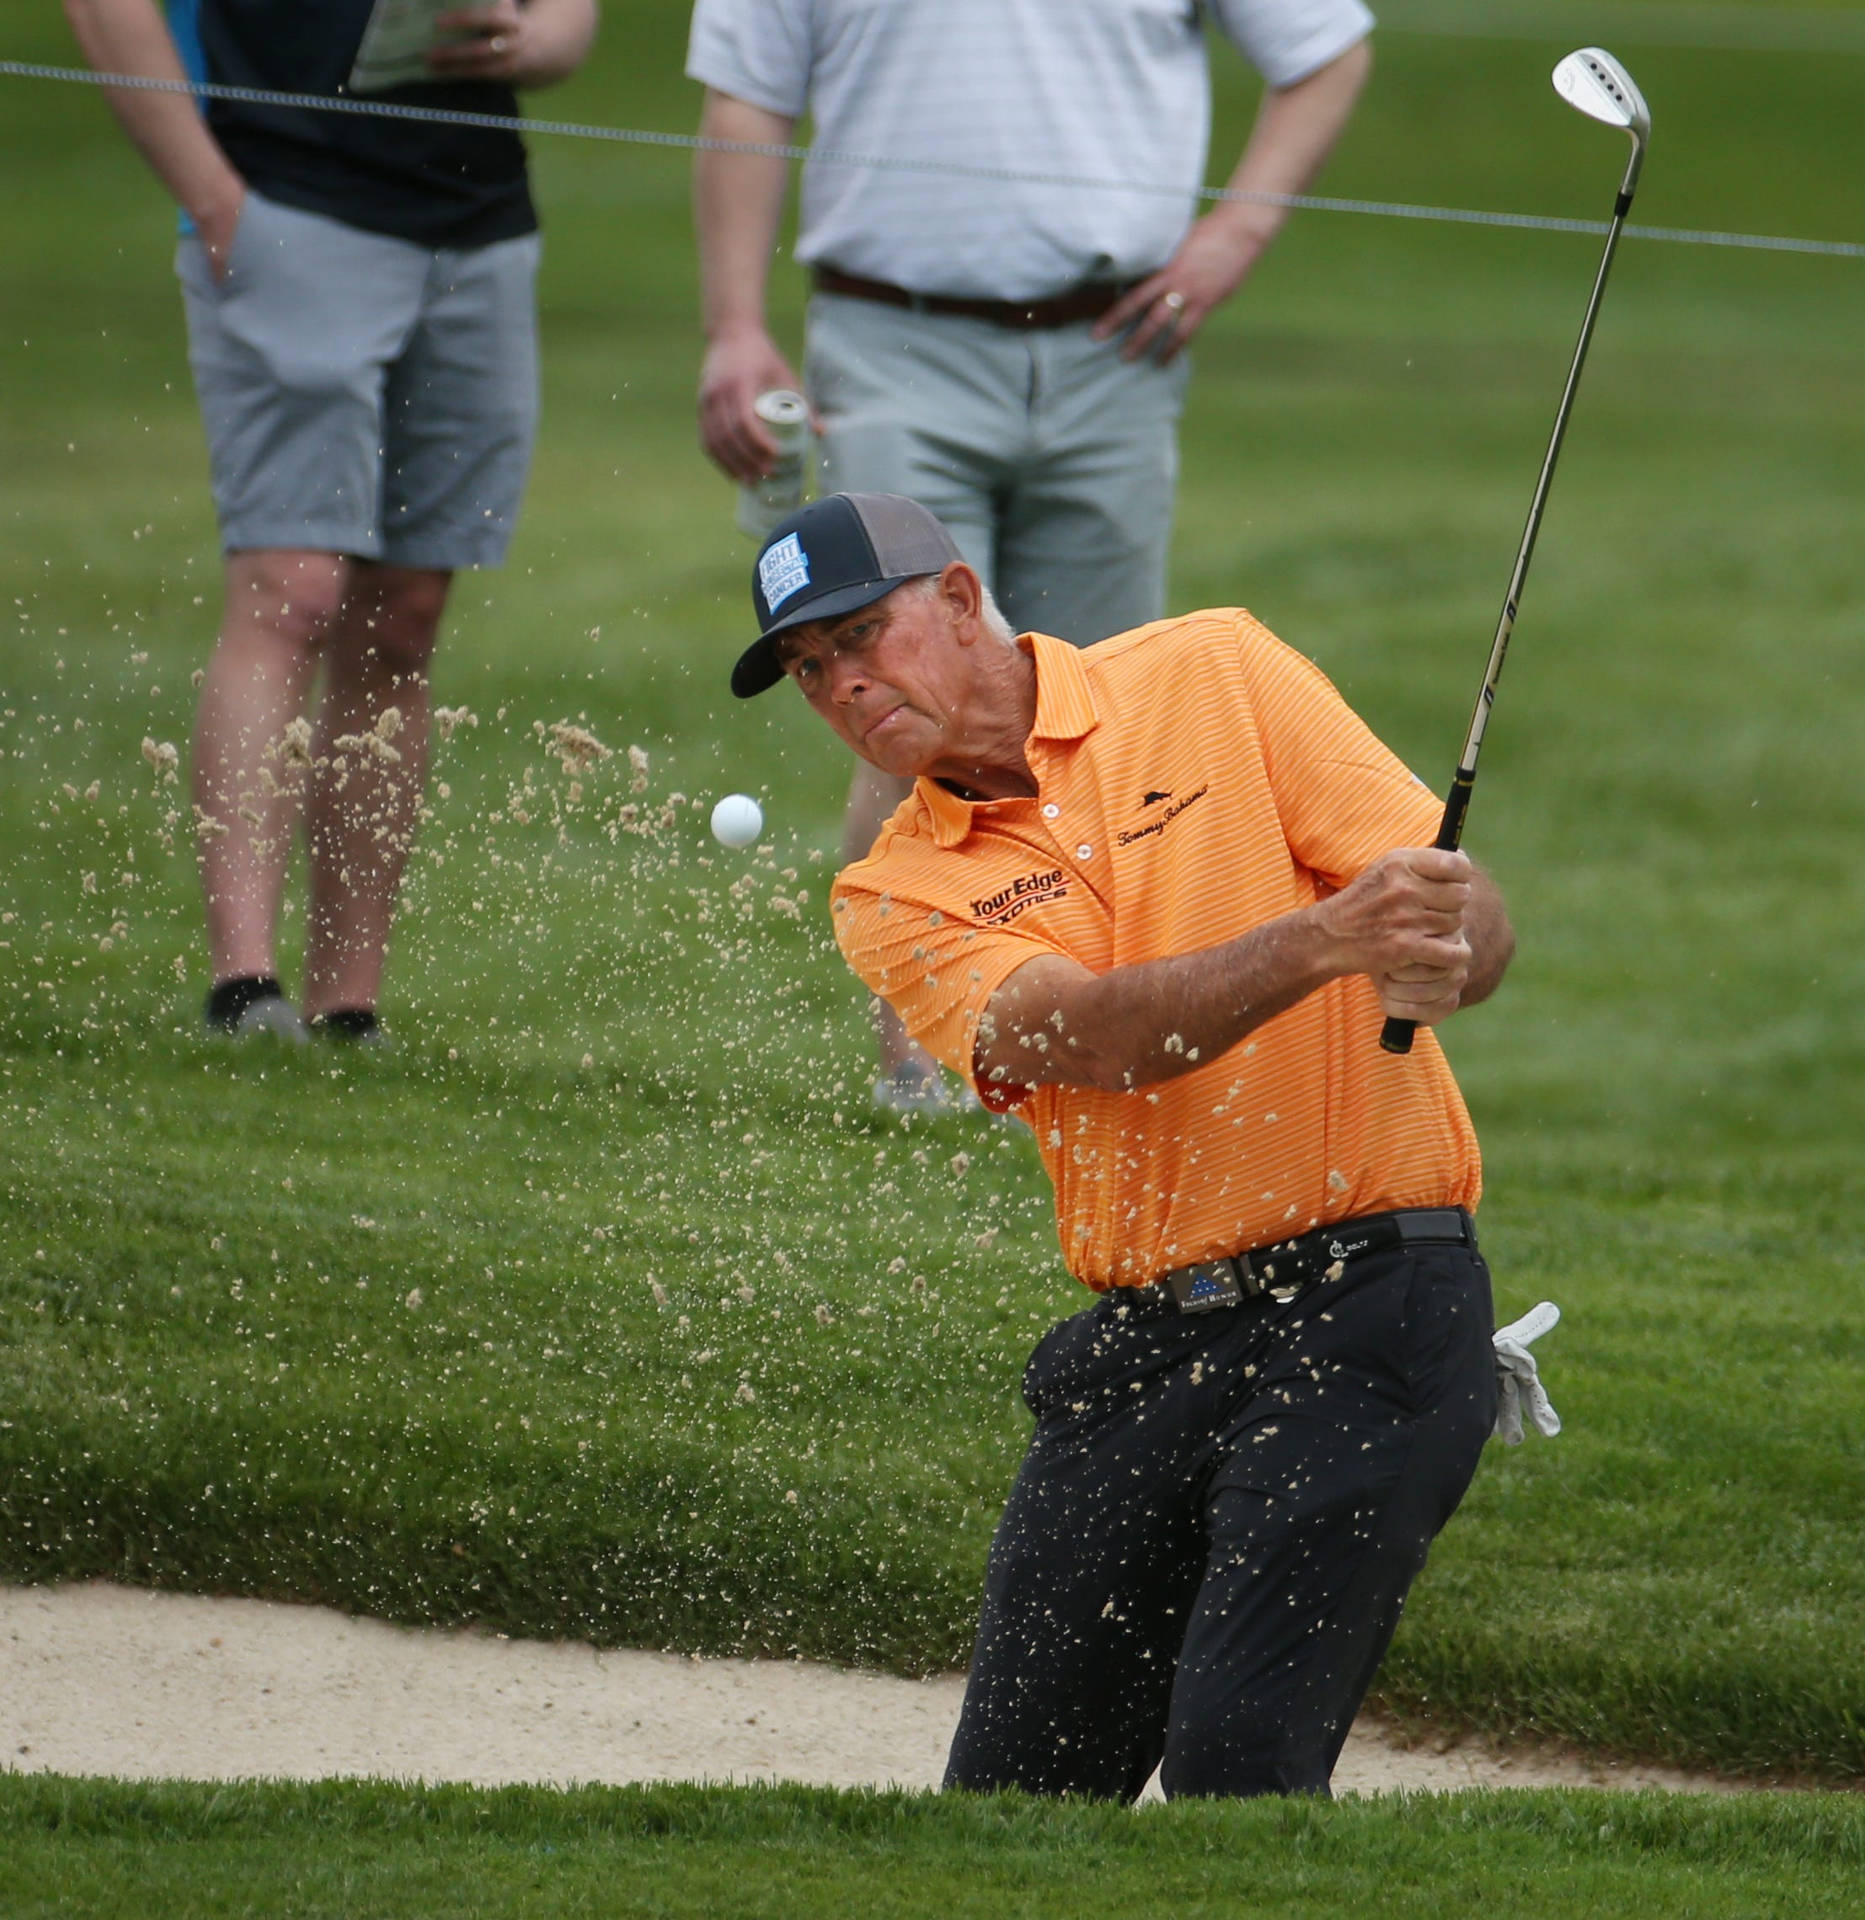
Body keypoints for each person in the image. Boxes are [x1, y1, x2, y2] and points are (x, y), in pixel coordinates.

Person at [731, 491, 1515, 1799]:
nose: (846, 685)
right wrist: (1327, 940)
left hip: (1373, 1308)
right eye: (812, 670)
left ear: (964, 601)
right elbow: (1091, 1039)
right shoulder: (893, 889)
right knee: (1010, 1805)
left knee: (1239, 1769)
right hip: (1147, 1345)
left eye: (864, 635)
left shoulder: (1216, 670)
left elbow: (1453, 906)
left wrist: (1453, 947)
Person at [688, 0, 1373, 1109]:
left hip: (1119, 340)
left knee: (1102, 703)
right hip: (892, 328)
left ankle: (1103, 1027)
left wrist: (1233, 232)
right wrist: (731, 323)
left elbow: (1324, 49)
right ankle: (931, 1055)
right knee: (897, 673)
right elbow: (744, 89)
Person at [64, 0, 599, 1040]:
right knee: (292, 589)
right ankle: (244, 988)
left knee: (404, 613)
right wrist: (213, 199)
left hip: (476, 221)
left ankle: (348, 1007)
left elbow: (567, 22)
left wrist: (544, 41)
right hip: (282, 204)